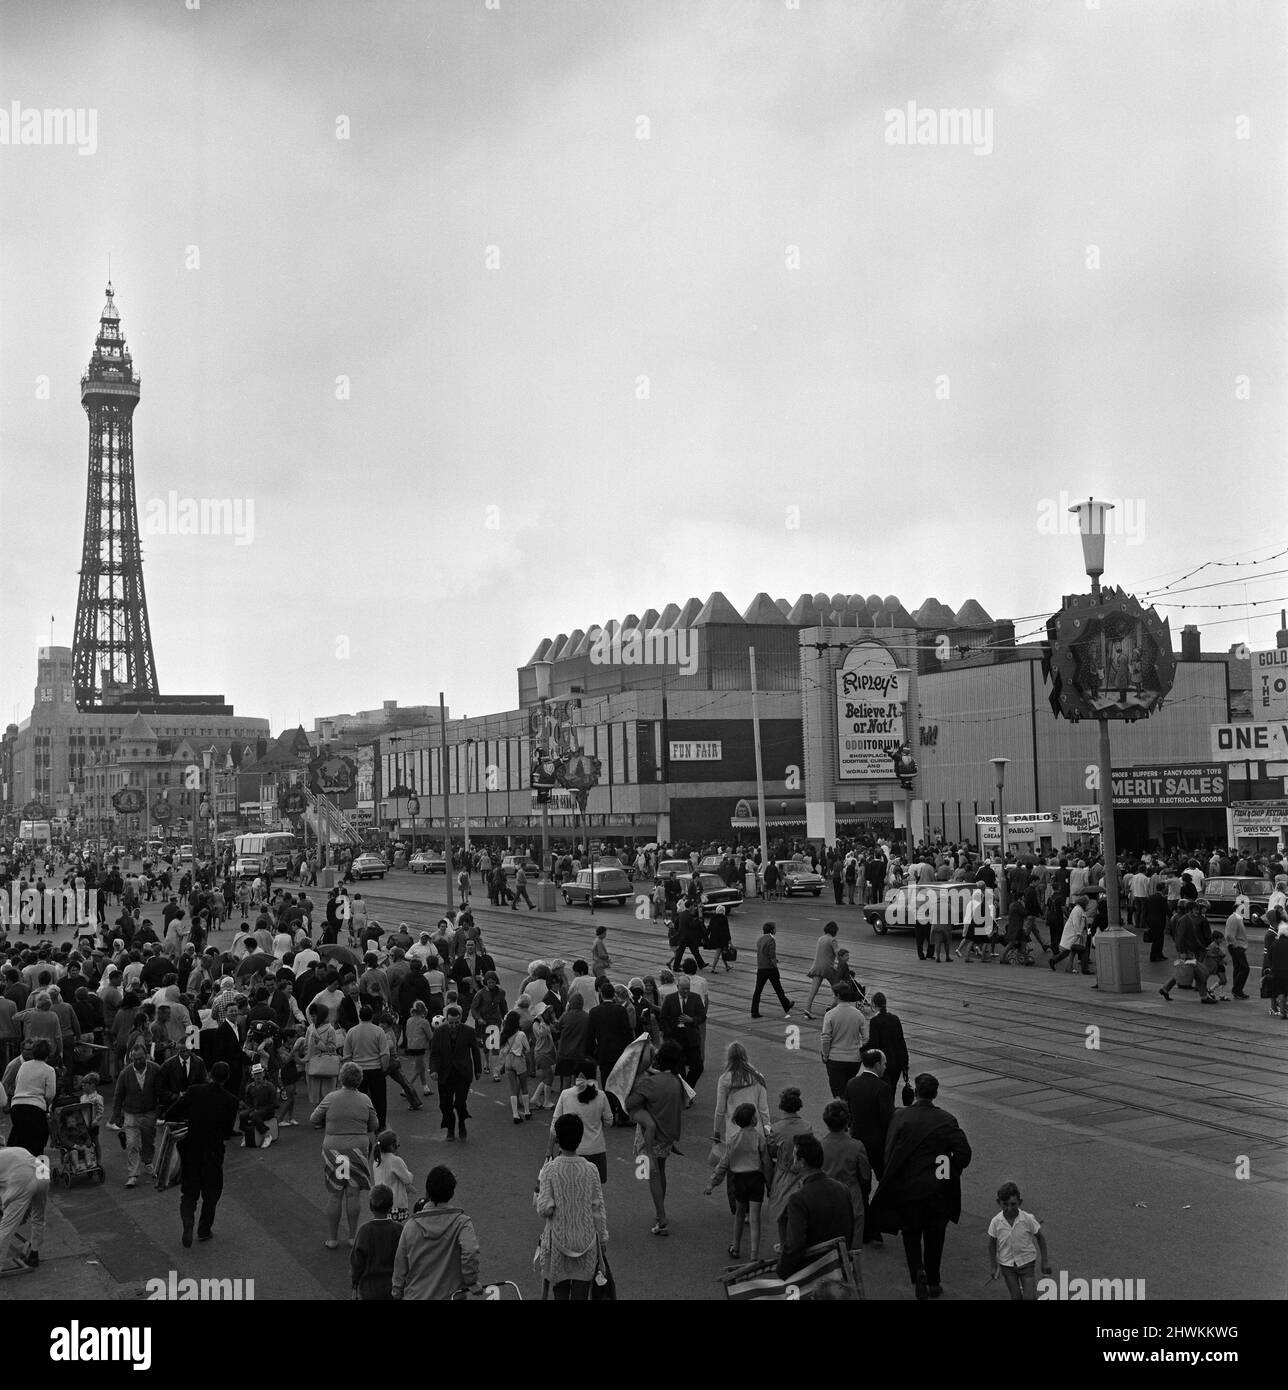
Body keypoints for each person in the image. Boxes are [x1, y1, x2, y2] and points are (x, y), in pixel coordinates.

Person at [870, 1073, 973, 1300]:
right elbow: (964, 1154)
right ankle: (934, 1280)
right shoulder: (947, 1119)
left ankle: (918, 1274)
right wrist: (944, 1169)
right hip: (938, 1191)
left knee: (911, 1233)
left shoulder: (901, 1117)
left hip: (909, 1189)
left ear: (915, 1093)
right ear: (935, 1094)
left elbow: (889, 1153)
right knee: (935, 1236)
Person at [163, 1060, 239, 1246]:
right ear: (226, 1078)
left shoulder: (195, 1091)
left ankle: (188, 1222)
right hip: (213, 1152)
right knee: (211, 1192)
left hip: (191, 1148)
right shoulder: (231, 1100)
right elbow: (227, 1133)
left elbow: (171, 1113)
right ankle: (204, 1229)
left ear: (210, 1074)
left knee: (189, 1191)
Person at [536, 1113, 610, 1300]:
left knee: (559, 1291)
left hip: (559, 1244)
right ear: (580, 1139)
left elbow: (544, 1208)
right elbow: (598, 1210)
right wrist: (602, 1240)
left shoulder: (550, 1169)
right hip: (586, 1243)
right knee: (582, 1293)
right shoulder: (591, 1169)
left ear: (558, 1140)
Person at [311, 1061, 379, 1250]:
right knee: (353, 1194)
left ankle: (332, 1238)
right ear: (359, 1080)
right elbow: (374, 1125)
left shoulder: (331, 1097)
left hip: (333, 1150)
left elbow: (314, 1118)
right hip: (357, 1149)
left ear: (341, 1078)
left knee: (335, 1194)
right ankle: (352, 1236)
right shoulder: (365, 1099)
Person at [625, 1039, 688, 1237]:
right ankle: (660, 1207)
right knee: (661, 1170)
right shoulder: (676, 1082)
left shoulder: (650, 1083)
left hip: (651, 1135)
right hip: (668, 1134)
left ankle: (661, 1217)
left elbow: (630, 1103)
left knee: (651, 1174)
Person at [392, 1166, 484, 1300]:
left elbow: (400, 1263)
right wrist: (471, 1281)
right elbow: (470, 1251)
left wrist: (397, 1292)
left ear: (427, 1192)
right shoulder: (462, 1223)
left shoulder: (410, 1226)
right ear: (451, 1193)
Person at [776, 1132, 854, 1279]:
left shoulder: (798, 1199)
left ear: (802, 1162)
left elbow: (795, 1246)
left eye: (795, 1156)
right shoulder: (842, 1189)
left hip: (814, 1270)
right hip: (839, 1264)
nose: (793, 1160)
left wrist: (782, 1272)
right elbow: (850, 1229)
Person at [704, 1101, 772, 1262]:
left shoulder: (733, 1139)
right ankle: (754, 1254)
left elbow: (723, 1164)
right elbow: (767, 1163)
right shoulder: (759, 1138)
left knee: (740, 1214)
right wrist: (770, 1184)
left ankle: (736, 1246)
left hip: (739, 1180)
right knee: (755, 1218)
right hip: (756, 1179)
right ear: (753, 1120)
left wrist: (712, 1183)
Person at [844, 1049, 893, 1245]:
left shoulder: (851, 1083)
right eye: (884, 1063)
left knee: (862, 1185)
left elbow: (848, 1112)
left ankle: (863, 1226)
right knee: (886, 1182)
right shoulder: (882, 1087)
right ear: (877, 1065)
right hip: (878, 1144)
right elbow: (886, 1119)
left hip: (857, 1141)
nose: (886, 1066)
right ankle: (875, 1222)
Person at [548, 1062, 614, 1183]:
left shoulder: (566, 1094)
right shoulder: (601, 1095)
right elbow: (609, 1121)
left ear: (576, 1075)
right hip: (596, 1150)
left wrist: (550, 1150)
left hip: (570, 1152)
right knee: (594, 1193)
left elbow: (554, 1126)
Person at [987, 1181, 1052, 1301]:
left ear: (1020, 1202)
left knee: (1030, 1297)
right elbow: (991, 1243)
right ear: (998, 1203)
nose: (1009, 1208)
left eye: (1013, 1204)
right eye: (1005, 1204)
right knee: (1015, 1297)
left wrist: (1045, 1261)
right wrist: (993, 1266)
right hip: (1007, 1265)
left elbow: (1040, 1238)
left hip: (1027, 1262)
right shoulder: (996, 1222)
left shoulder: (1027, 1219)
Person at [819, 1099, 869, 1250]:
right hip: (851, 1199)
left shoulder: (820, 1145)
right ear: (847, 1121)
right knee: (853, 1251)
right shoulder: (857, 1146)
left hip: (826, 1200)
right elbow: (865, 1176)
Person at [427, 1005, 482, 1141]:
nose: (454, 1025)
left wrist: (478, 1070)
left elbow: (475, 1051)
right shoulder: (439, 1032)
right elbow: (434, 1054)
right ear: (447, 1020)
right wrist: (433, 1070)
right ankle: (450, 1129)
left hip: (462, 1073)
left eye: (456, 1022)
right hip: (445, 1073)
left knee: (459, 1103)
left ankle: (462, 1123)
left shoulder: (469, 1031)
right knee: (445, 1105)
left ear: (460, 1019)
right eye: (451, 1023)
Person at [111, 1043, 161, 1188]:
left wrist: (160, 1109)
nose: (138, 1062)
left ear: (146, 1056)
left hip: (149, 1111)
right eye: (135, 1059)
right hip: (131, 1113)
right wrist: (116, 1116)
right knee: (132, 1143)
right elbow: (118, 1095)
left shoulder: (155, 1069)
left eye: (140, 1058)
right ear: (131, 1058)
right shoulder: (125, 1074)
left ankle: (148, 1161)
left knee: (148, 1141)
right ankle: (133, 1174)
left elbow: (161, 1089)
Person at [0, 1146, 49, 1276]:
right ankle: (34, 1254)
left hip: (23, 1181)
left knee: (6, 1226)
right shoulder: (17, 1149)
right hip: (43, 1173)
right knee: (38, 1216)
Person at [342, 1003, 392, 1129]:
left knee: (358, 1101)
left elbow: (347, 1055)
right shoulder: (379, 1031)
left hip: (358, 1071)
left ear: (359, 1016)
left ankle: (360, 1125)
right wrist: (383, 1069)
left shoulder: (352, 1032)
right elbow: (384, 1054)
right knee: (379, 1101)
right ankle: (380, 1127)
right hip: (376, 1070)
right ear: (372, 1016)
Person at [4, 1039, 56, 1157]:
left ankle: (17, 1168)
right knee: (37, 1143)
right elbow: (50, 1094)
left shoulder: (23, 1066)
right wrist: (46, 1103)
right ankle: (37, 1172)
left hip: (17, 1107)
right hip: (35, 1109)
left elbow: (17, 1084)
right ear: (48, 1054)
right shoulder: (49, 1070)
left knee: (21, 1140)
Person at [351, 1184, 402, 1300]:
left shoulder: (364, 1230)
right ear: (390, 1207)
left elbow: (357, 1262)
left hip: (369, 1289)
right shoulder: (398, 1229)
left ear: (370, 1207)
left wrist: (354, 1286)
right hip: (392, 1287)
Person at [819, 983, 867, 1098]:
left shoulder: (830, 1014)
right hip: (854, 1060)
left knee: (838, 1094)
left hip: (835, 1059)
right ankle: (850, 1112)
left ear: (838, 996)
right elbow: (866, 1038)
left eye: (833, 995)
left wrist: (825, 1055)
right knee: (848, 1091)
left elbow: (826, 1038)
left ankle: (841, 1113)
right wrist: (859, 1051)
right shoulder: (858, 1014)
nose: (833, 997)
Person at [659, 974, 706, 1087]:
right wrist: (668, 1033)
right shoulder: (670, 999)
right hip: (675, 1038)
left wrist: (692, 1020)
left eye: (688, 988)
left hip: (691, 1038)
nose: (686, 991)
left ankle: (687, 1089)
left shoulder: (695, 998)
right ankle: (684, 1094)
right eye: (683, 988)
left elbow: (702, 1016)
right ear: (677, 986)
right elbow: (663, 1018)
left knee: (698, 1067)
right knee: (679, 1070)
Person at [866, 993, 909, 1096]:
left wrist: (862, 1050)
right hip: (897, 1063)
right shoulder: (895, 1018)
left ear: (873, 1004)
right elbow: (901, 1041)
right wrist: (905, 1063)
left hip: (883, 1064)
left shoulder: (875, 1021)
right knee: (892, 1090)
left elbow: (874, 1043)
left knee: (883, 1092)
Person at [750, 922, 794, 1019]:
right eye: (774, 928)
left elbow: (763, 953)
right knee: (778, 988)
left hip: (761, 968)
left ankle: (754, 1011)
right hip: (770, 968)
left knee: (758, 990)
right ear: (771, 930)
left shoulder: (760, 939)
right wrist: (775, 966)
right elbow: (772, 955)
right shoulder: (771, 940)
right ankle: (786, 1005)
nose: (775, 930)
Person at [373, 1130, 415, 1221]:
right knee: (395, 1231)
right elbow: (407, 1179)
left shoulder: (377, 1160)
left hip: (379, 1203)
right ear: (393, 1146)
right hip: (395, 1204)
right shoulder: (395, 1160)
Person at [803, 922, 841, 1019]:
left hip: (817, 967)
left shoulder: (820, 938)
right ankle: (834, 1007)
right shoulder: (833, 940)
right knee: (837, 987)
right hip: (828, 968)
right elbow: (837, 954)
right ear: (835, 930)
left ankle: (807, 1009)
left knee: (813, 990)